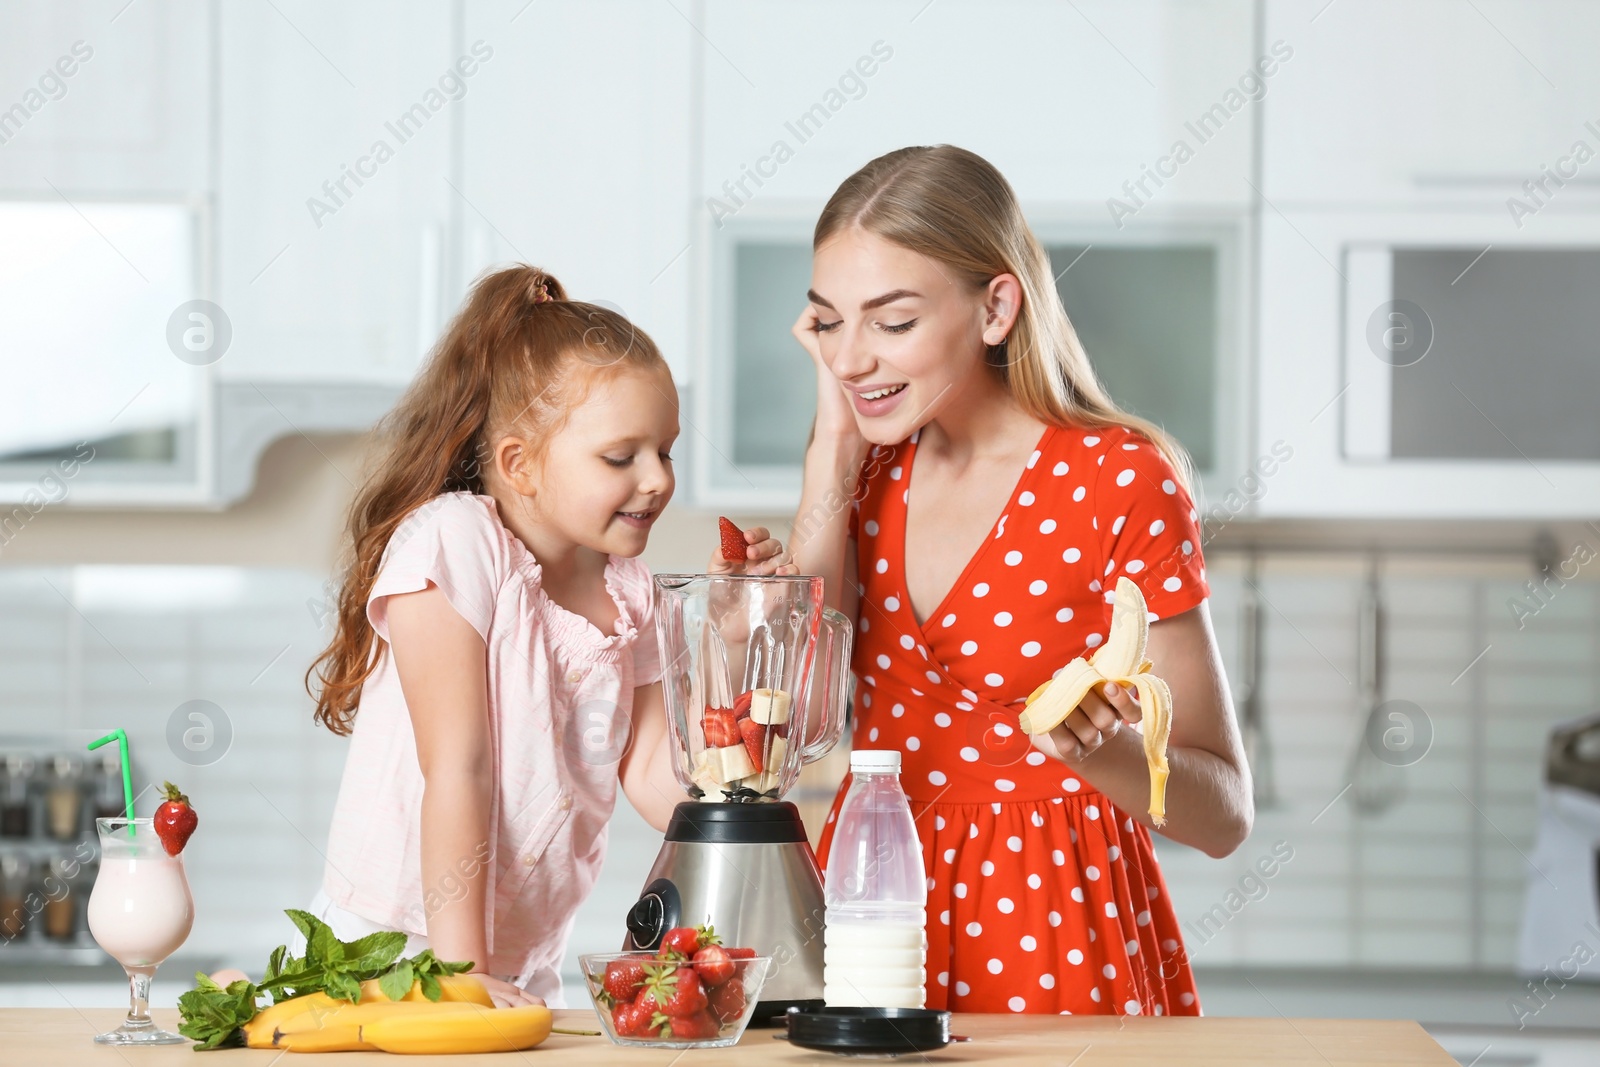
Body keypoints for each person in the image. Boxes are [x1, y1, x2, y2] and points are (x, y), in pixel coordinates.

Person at [791, 146, 1253, 1016]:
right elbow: (804, 718)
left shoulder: (1118, 480)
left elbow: (1224, 817)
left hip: (1054, 929)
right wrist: (830, 451)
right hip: (871, 912)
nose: (850, 360)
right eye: (827, 323)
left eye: (891, 323)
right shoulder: (862, 469)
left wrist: (1099, 751)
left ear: (997, 306)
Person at [303, 266, 789, 1007]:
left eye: (667, 450)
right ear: (519, 465)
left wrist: (717, 639)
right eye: (621, 457)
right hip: (396, 951)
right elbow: (458, 772)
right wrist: (464, 981)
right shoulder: (456, 547)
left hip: (522, 960)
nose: (657, 479)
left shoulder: (631, 591)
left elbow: (660, 781)